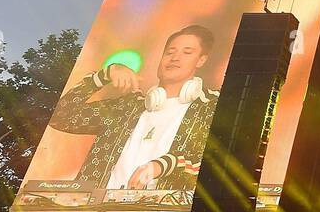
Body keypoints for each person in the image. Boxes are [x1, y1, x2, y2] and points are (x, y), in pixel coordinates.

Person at [47, 25, 221, 190]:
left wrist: (162, 165)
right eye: (170, 52)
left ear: (201, 60)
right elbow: (60, 117)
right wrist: (102, 76)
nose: (175, 58)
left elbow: (219, 160)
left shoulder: (212, 106)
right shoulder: (127, 106)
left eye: (187, 52)